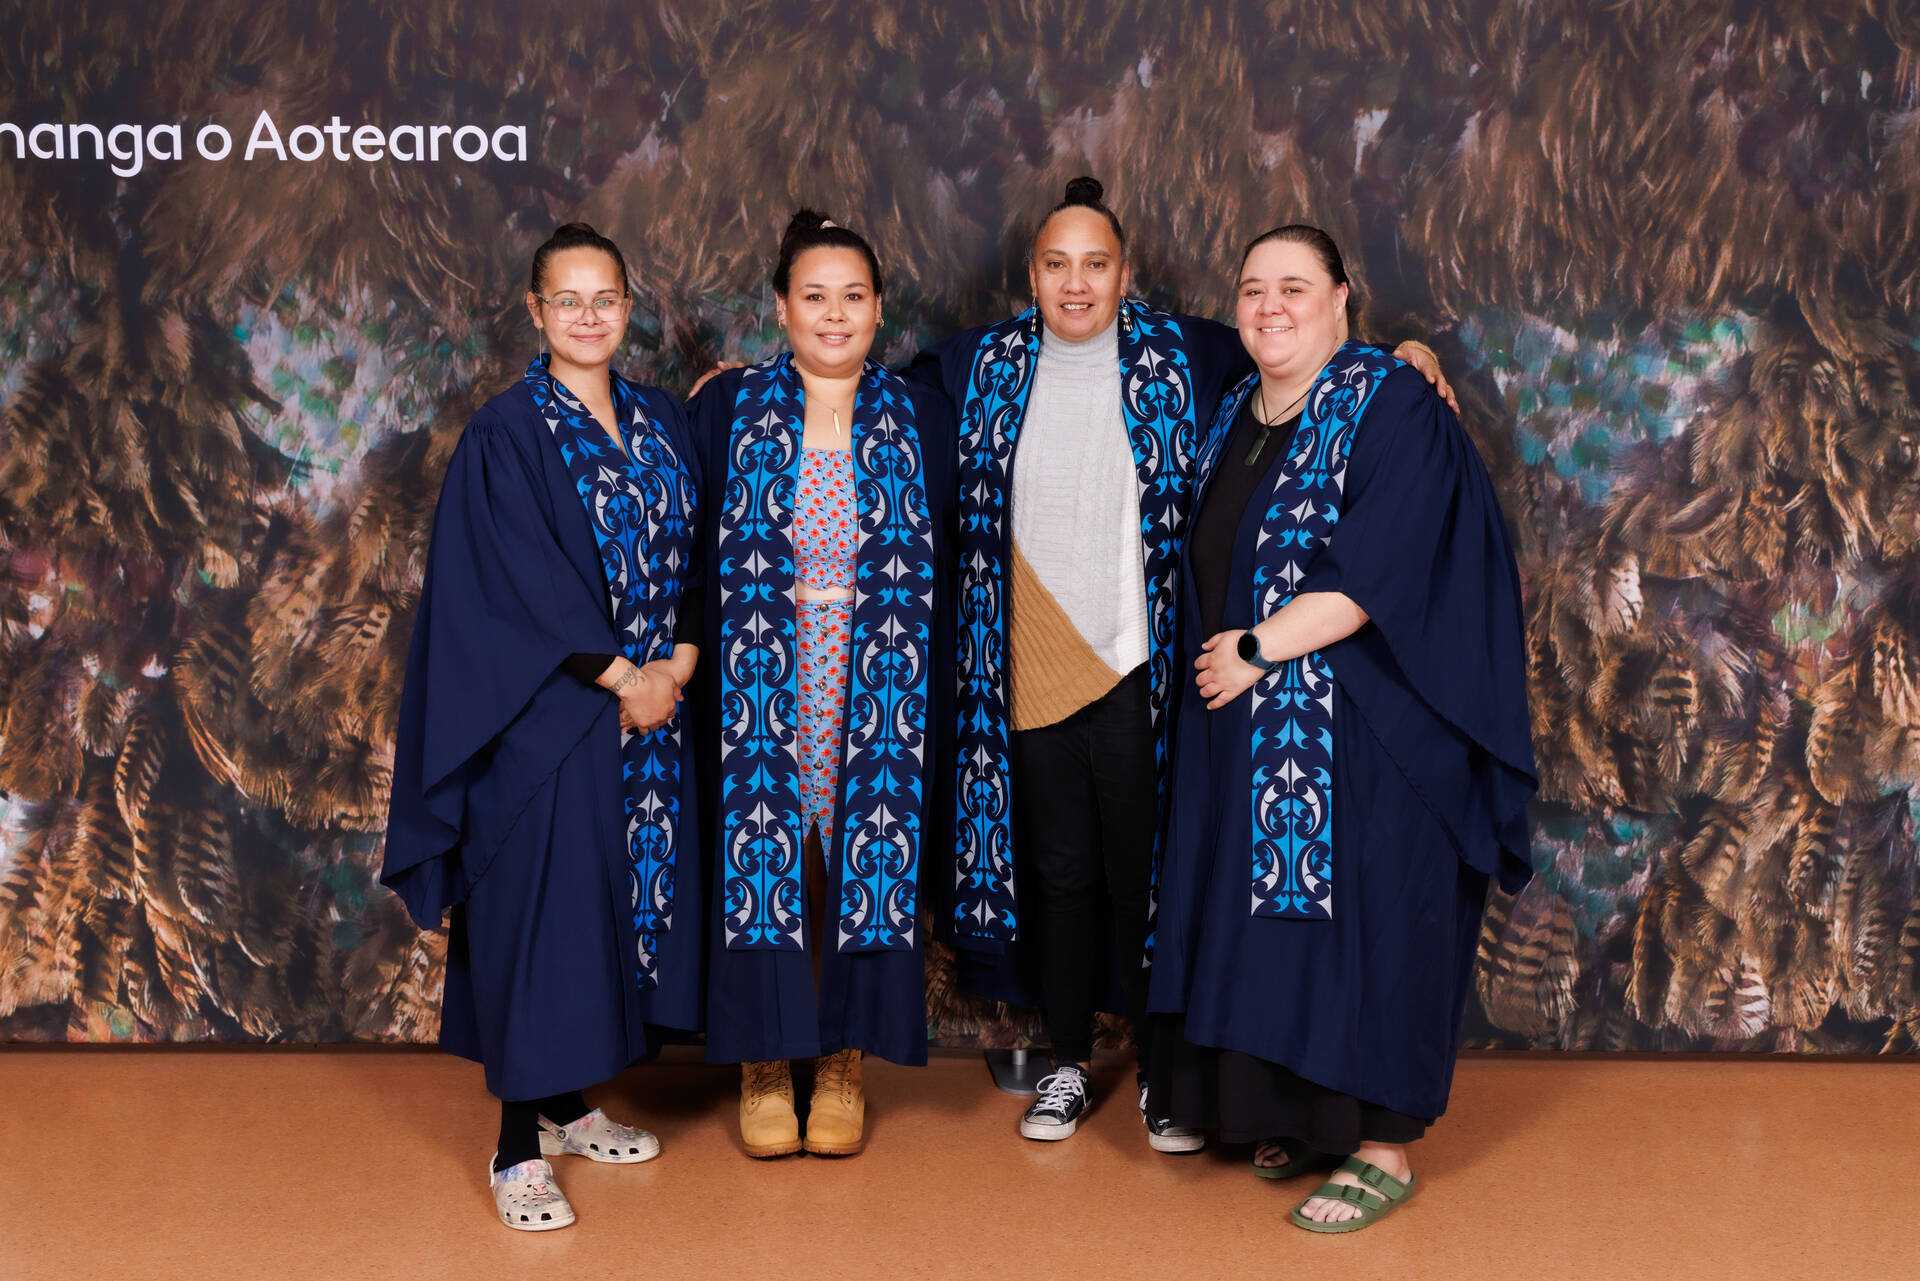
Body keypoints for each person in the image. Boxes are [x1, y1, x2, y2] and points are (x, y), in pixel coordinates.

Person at [908, 178, 1454, 1149]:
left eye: (1096, 263)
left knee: (1147, 876)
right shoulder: (977, 364)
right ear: (1031, 275)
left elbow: (1308, 356)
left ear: (1127, 274)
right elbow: (873, 393)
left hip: (1144, 664)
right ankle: (1067, 1061)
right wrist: (737, 392)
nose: (1076, 283)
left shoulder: (1188, 352)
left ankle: (1167, 1077)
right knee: (1058, 873)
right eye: (1056, 264)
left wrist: (1405, 352)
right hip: (1025, 662)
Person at [1144, 224, 1536, 1232]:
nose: (1271, 306)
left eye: (1295, 287)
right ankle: (1307, 1115)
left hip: (1371, 721)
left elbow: (1376, 566)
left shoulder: (1391, 402)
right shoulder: (1236, 408)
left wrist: (1257, 649)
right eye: (1253, 289)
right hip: (1261, 730)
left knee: (1374, 921)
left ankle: (1384, 1146)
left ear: (1341, 297)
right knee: (1290, 933)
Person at [382, 222, 705, 1231]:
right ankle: (517, 1148)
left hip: (652, 719)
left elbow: (700, 554)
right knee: (541, 921)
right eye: (568, 299)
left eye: (605, 298)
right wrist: (625, 678)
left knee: (602, 919)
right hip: (548, 718)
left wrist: (675, 668)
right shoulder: (507, 434)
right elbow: (519, 580)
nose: (588, 316)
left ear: (628, 306)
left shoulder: (659, 419)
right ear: (535, 310)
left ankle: (567, 1105)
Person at [687, 210, 955, 1159]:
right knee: (768, 858)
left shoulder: (922, 414)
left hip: (879, 673)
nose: (834, 315)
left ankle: (843, 1059)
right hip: (761, 669)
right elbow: (685, 549)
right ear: (781, 307)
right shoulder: (728, 409)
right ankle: (763, 1062)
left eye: (853, 297)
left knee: (859, 862)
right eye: (814, 297)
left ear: (879, 309)